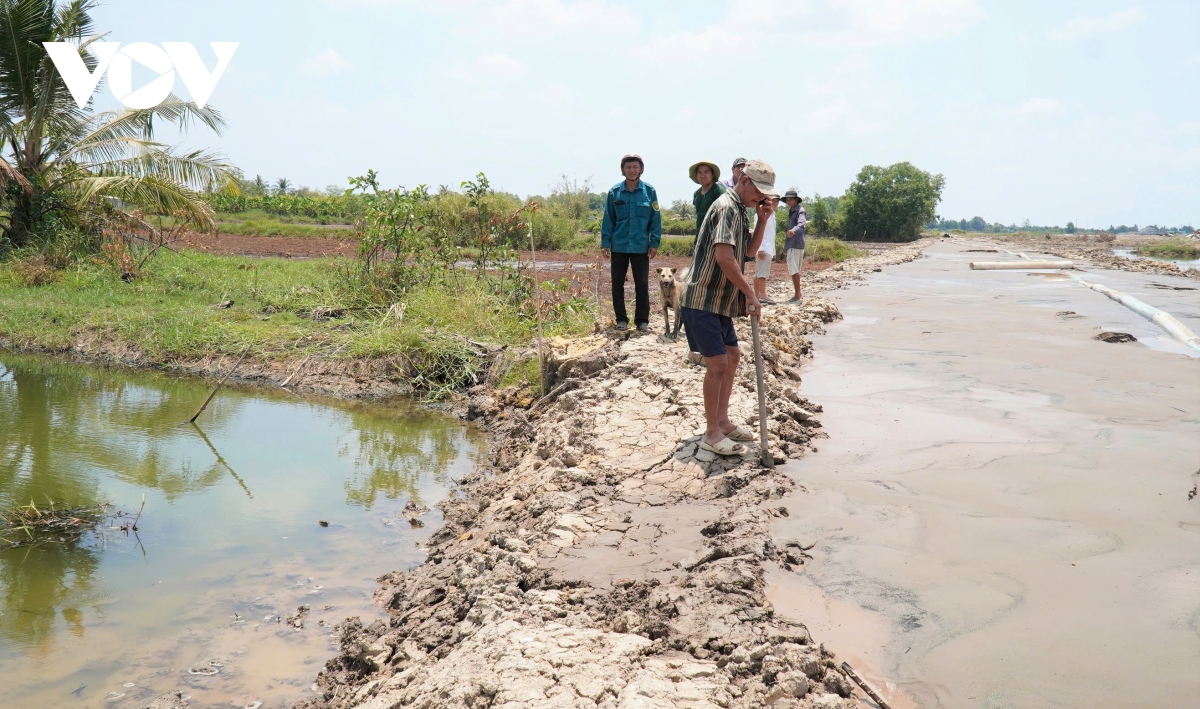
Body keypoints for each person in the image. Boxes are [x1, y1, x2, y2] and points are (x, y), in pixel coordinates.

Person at [678, 159, 779, 456]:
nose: (760, 198)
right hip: (702, 299)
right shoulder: (726, 207)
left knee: (732, 356)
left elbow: (747, 252)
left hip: (719, 301)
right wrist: (751, 294)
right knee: (718, 363)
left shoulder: (739, 210)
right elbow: (724, 258)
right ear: (744, 181)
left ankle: (722, 421)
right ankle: (711, 433)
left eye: (765, 195)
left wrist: (762, 219)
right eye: (758, 192)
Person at [601, 153, 661, 331]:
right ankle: (621, 320)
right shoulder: (614, 192)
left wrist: (654, 242)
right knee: (617, 283)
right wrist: (605, 242)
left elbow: (655, 219)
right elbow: (608, 219)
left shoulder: (649, 191)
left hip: (641, 246)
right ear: (623, 170)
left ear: (641, 169)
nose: (632, 170)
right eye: (628, 167)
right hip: (619, 245)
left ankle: (642, 321)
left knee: (642, 284)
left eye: (635, 167)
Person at [752, 196, 780, 305]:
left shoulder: (771, 214)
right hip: (763, 247)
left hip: (768, 247)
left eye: (777, 200)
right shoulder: (761, 214)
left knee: (759, 271)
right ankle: (763, 295)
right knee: (763, 273)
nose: (775, 202)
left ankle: (757, 295)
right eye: (772, 200)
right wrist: (760, 248)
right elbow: (757, 231)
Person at [781, 189, 807, 303]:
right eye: (787, 199)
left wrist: (793, 230)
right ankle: (798, 293)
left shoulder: (800, 210)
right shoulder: (792, 210)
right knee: (795, 270)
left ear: (796, 200)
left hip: (795, 244)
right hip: (795, 244)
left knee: (794, 270)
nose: (788, 201)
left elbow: (802, 224)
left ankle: (797, 294)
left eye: (791, 199)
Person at [689, 160, 725, 237]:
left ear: (712, 175)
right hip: (700, 235)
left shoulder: (719, 191)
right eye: (699, 172)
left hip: (715, 236)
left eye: (706, 172)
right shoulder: (696, 194)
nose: (703, 175)